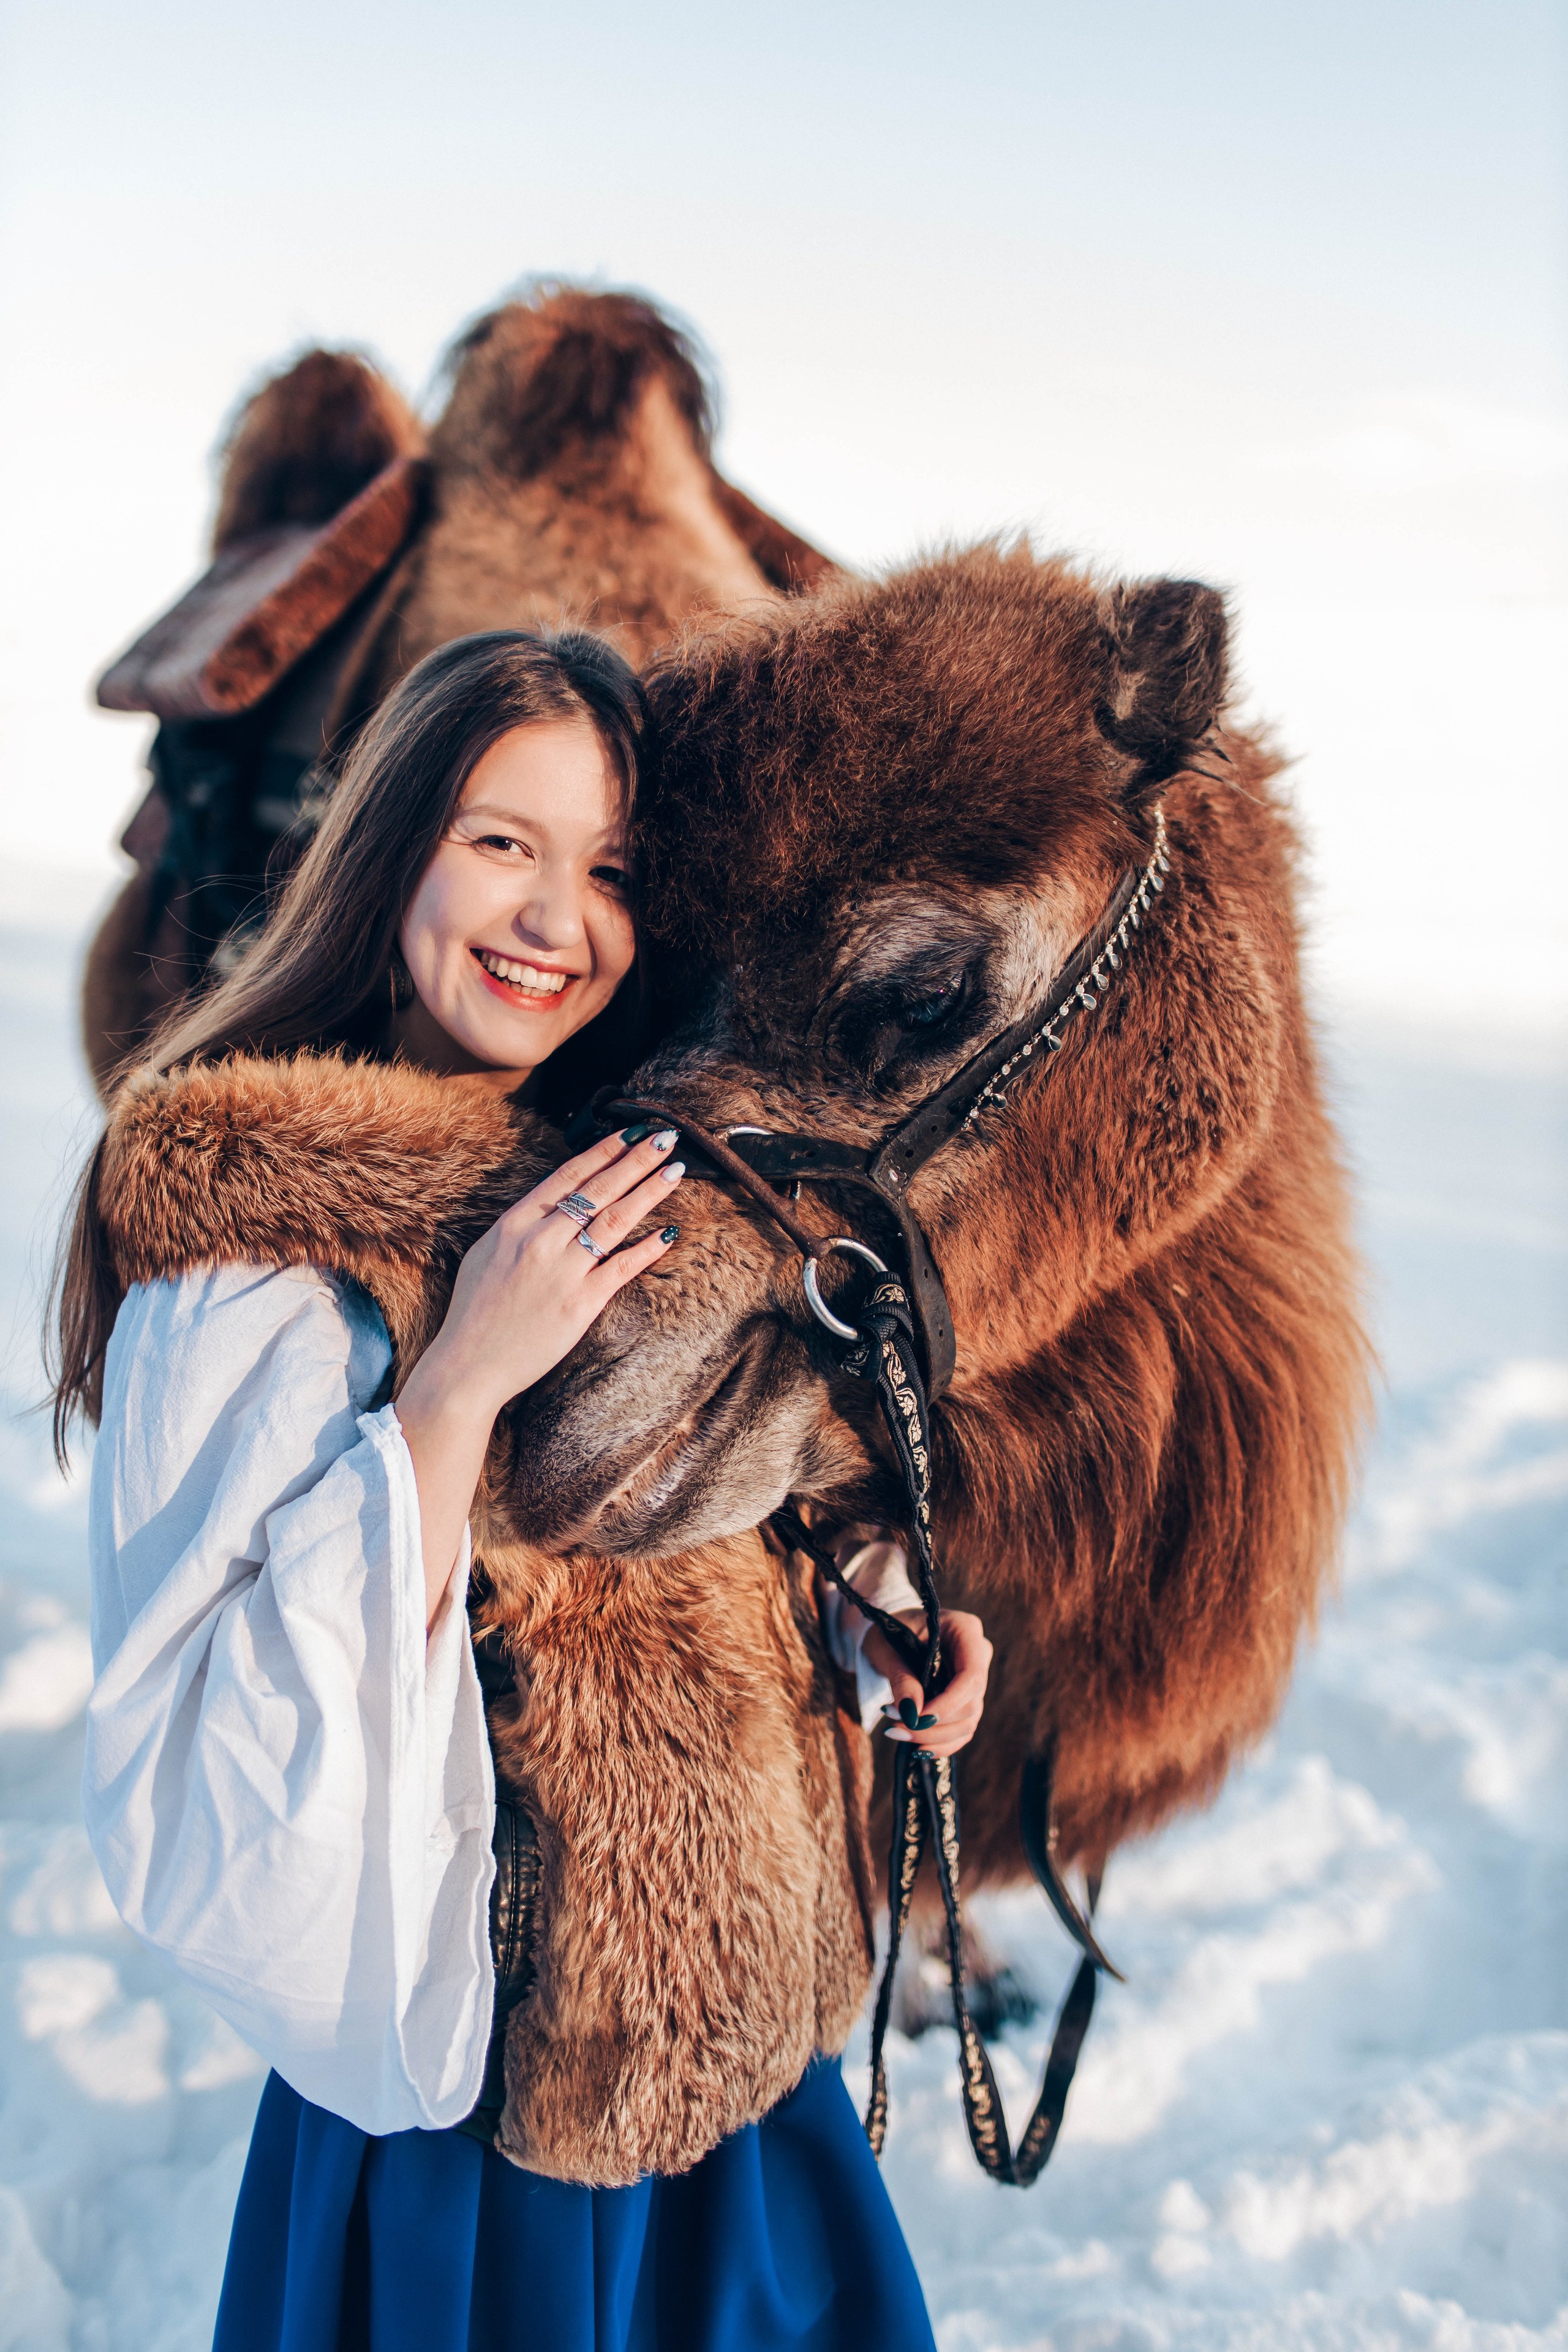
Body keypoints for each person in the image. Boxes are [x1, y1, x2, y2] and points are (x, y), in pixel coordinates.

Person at [51, 629, 993, 2352]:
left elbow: (714, 1545)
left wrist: (867, 1627)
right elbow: (217, 1750)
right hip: (491, 2140)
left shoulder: (655, 1177)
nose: (556, 917)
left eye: (612, 870)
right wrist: (458, 1385)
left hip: (745, 2087)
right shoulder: (254, 1261)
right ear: (388, 849)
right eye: (502, 841)